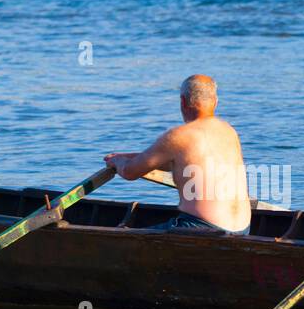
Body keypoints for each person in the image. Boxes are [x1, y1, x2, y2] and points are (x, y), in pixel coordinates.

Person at [104, 74, 252, 234]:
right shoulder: (228, 131)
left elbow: (129, 172)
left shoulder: (179, 136)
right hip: (243, 229)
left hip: (202, 228)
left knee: (125, 242)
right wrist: (130, 157)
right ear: (216, 102)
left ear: (182, 101)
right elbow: (179, 162)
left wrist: (117, 161)